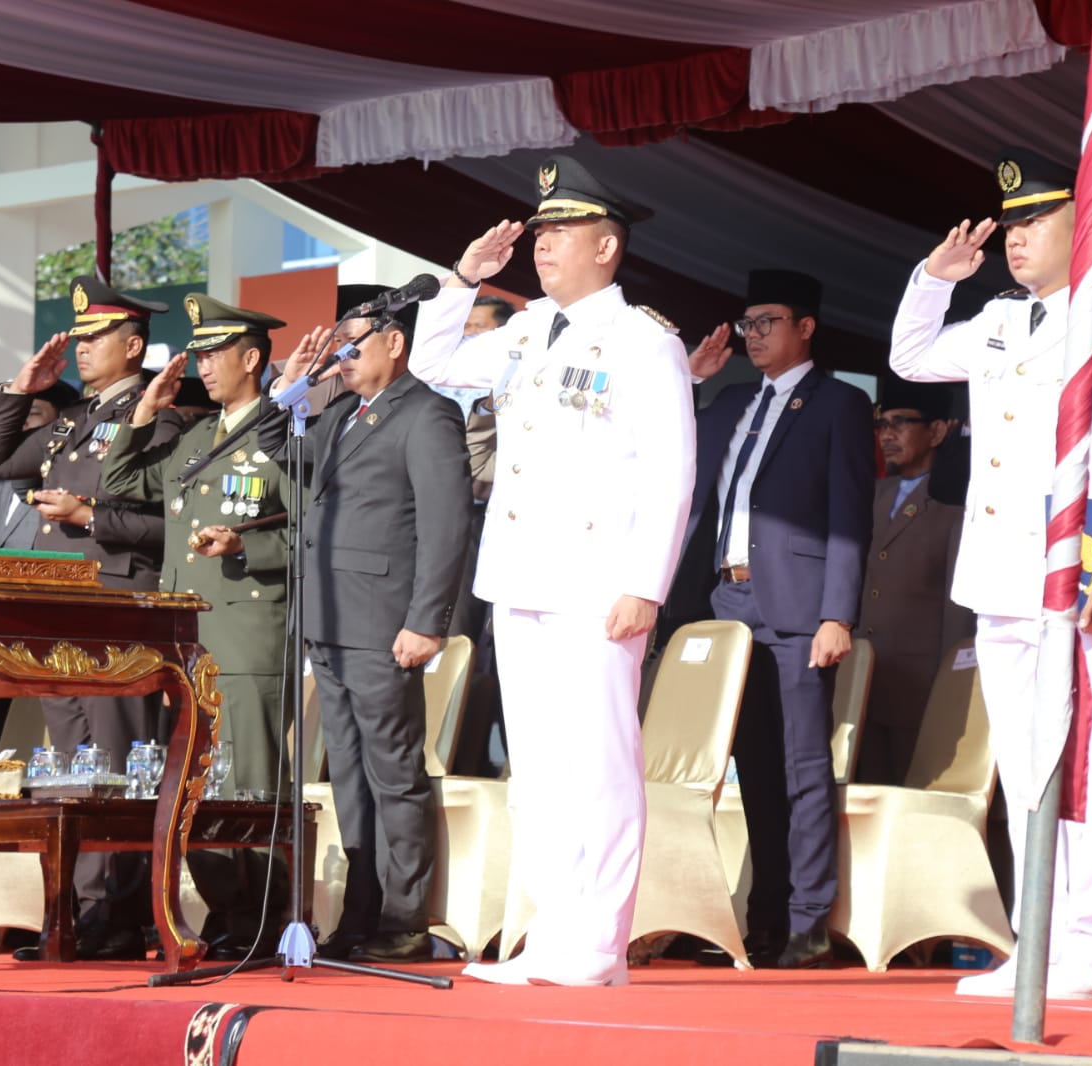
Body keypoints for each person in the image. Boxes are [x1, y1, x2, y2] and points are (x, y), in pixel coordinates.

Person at [889, 147, 1092, 1001]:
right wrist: (934, 278)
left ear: (1084, 224)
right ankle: (1038, 942)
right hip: (1004, 578)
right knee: (1022, 770)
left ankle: (1090, 949)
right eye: (1010, 225)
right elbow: (909, 357)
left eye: (1034, 222)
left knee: (1089, 767)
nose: (1015, 240)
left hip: (1082, 583)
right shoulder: (999, 322)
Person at [409, 155, 696, 987]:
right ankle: (553, 931)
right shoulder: (527, 329)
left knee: (597, 760)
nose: (542, 246)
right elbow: (432, 364)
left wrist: (645, 581)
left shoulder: (644, 342)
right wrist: (463, 280)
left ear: (606, 246)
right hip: (519, 574)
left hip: (597, 580)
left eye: (562, 233)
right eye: (540, 233)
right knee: (533, 767)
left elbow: (670, 470)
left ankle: (599, 943)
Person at [664, 268, 874, 969]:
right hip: (726, 602)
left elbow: (850, 516)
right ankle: (762, 921)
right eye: (747, 324)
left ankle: (808, 921)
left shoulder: (837, 404)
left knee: (801, 764)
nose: (753, 336)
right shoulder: (728, 403)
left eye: (767, 323)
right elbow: (669, 444)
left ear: (804, 327)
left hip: (795, 603)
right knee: (749, 765)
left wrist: (835, 613)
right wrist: (688, 381)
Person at [259, 285, 471, 965]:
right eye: (339, 347)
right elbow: (275, 444)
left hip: (384, 621)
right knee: (347, 771)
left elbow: (445, 525)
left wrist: (426, 621)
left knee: (393, 770)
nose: (342, 358)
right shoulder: (344, 409)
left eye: (353, 345)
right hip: (329, 616)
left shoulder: (426, 414)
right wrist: (294, 382)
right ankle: (361, 909)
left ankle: (404, 917)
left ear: (394, 342)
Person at [0, 275, 185, 961]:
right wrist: (22, 388)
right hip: (60, 605)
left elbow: (170, 522)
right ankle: (73, 912)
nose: (83, 350)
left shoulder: (160, 417)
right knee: (68, 761)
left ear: (133, 345)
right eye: (81, 339)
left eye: (96, 339)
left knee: (119, 761)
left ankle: (119, 914)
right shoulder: (70, 420)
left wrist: (89, 516)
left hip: (117, 601)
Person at [100, 293, 294, 959]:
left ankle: (268, 922)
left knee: (252, 787)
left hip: (245, 633)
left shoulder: (279, 431)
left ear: (251, 358)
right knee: (193, 788)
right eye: (200, 355)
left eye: (215, 354)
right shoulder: (198, 436)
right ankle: (232, 914)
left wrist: (246, 547)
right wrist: (145, 410)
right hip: (190, 638)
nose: (204, 366)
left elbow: (308, 535)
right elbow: (120, 479)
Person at [856, 378, 972, 786]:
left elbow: (957, 608)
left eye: (901, 422)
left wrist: (950, 683)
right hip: (863, 679)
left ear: (938, 431)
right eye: (882, 424)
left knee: (918, 795)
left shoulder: (958, 502)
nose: (887, 434)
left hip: (922, 685)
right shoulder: (872, 492)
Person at [0, 381, 78, 550]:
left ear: (61, 424)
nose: (18, 422)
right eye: (9, 417)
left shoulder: (70, 486)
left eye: (31, 413)